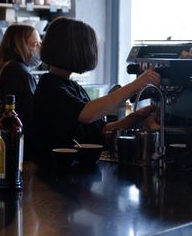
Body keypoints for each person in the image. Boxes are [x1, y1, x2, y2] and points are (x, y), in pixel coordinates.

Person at [31, 17, 161, 160]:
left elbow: (103, 130)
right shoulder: (50, 88)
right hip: (55, 173)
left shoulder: (72, 86)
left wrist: (135, 117)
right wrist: (136, 85)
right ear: (74, 51)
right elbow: (87, 115)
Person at [0, 24, 42, 155]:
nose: (40, 48)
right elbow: (29, 120)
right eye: (35, 44)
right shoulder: (21, 74)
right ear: (20, 46)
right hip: (14, 152)